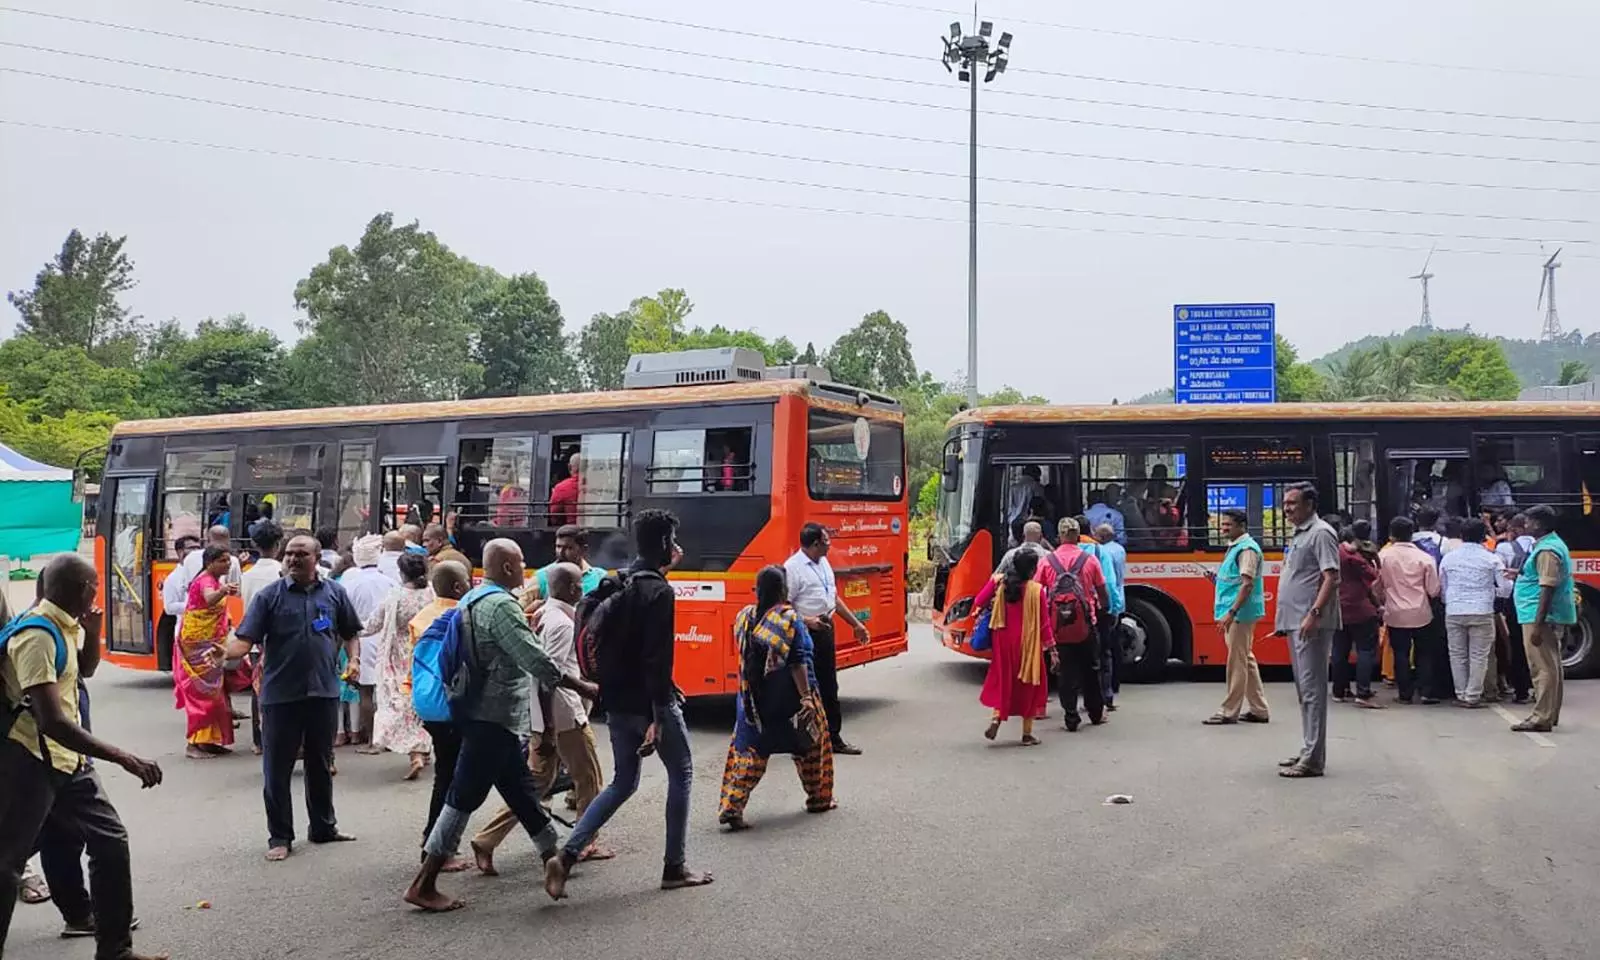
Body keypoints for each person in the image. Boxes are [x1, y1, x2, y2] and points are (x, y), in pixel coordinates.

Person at [404, 540, 598, 912]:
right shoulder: (499, 606)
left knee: (523, 793)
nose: (526, 567)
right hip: (490, 719)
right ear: (508, 567)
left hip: (487, 715)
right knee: (461, 798)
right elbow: (537, 661)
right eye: (522, 560)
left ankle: (553, 859)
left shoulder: (475, 599)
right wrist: (583, 685)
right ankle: (424, 883)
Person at [0, 554, 166, 960]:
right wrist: (123, 757)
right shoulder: (36, 635)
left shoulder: (65, 625)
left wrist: (93, 633)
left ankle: (115, 950)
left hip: (68, 761)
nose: (99, 590)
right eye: (95, 584)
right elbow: (51, 721)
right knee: (7, 865)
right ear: (83, 589)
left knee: (110, 841)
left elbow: (85, 671)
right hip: (30, 760)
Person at [545, 509, 714, 900]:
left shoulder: (614, 581)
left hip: (615, 700)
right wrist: (658, 714)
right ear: (665, 545)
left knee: (623, 781)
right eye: (671, 541)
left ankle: (567, 856)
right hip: (649, 703)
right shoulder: (659, 592)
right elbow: (655, 660)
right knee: (682, 772)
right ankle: (675, 866)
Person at [222, 534, 362, 861]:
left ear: (317, 559)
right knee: (277, 768)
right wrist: (224, 653)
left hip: (324, 691)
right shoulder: (270, 597)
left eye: (302, 554)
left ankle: (324, 827)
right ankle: (280, 837)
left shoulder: (335, 593)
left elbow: (350, 633)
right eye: (290, 554)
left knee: (320, 763)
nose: (294, 559)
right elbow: (245, 640)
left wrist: (353, 660)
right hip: (280, 695)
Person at [471, 562, 610, 872]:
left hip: (547, 719)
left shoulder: (547, 613)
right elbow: (549, 677)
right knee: (589, 780)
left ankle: (485, 840)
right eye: (577, 586)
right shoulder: (561, 623)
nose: (580, 590)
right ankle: (585, 842)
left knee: (534, 787)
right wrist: (547, 728)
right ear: (573, 589)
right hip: (564, 719)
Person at [718, 565, 835, 829]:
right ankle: (819, 799)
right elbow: (798, 662)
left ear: (757, 590)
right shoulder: (789, 620)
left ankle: (732, 806)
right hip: (791, 700)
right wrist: (806, 698)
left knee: (749, 753)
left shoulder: (745, 616)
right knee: (813, 748)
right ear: (784, 591)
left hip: (753, 701)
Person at [783, 523, 871, 756]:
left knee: (829, 684)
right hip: (804, 631)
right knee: (803, 687)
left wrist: (856, 624)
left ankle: (833, 737)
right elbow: (783, 606)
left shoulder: (823, 564)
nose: (829, 545)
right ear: (814, 544)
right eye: (826, 541)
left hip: (825, 628)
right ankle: (801, 741)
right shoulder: (793, 568)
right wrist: (807, 620)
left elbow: (833, 598)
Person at [1273, 483, 1340, 780]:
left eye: (1293, 503)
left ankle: (1313, 759)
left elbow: (1331, 577)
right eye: (1285, 503)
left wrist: (1314, 613)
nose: (1287, 509)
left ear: (1310, 504)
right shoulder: (1301, 533)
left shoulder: (1321, 532)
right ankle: (1308, 749)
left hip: (1309, 623)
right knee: (1304, 692)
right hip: (1295, 621)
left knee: (1313, 692)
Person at [410, 561, 472, 874]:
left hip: (428, 704)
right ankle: (436, 846)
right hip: (453, 706)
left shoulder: (422, 617)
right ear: (460, 587)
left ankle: (436, 842)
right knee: (451, 778)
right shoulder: (463, 615)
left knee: (448, 774)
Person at [974, 551, 1057, 745]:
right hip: (1027, 643)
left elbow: (979, 601)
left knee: (1004, 680)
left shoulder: (1000, 583)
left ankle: (996, 717)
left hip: (1002, 639)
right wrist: (1052, 649)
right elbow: (1044, 625)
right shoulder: (1037, 591)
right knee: (1028, 682)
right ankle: (1027, 734)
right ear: (1031, 569)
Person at [367, 553, 434, 779]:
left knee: (402, 705)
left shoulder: (395, 596)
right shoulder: (432, 593)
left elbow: (373, 624)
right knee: (423, 703)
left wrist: (346, 626)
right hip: (427, 653)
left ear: (402, 573)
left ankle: (416, 752)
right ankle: (423, 749)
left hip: (398, 658)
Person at [1510, 505, 1576, 733]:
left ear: (1538, 524)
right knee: (1551, 665)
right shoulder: (1550, 545)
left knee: (1542, 668)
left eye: (1527, 522)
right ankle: (1549, 714)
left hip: (1538, 615)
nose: (1525, 526)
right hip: (1542, 614)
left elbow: (1547, 588)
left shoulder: (1547, 550)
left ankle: (1541, 717)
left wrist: (1538, 626)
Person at [1204, 508, 1270, 724]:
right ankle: (1259, 709)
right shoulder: (1237, 547)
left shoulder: (1247, 549)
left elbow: (1247, 583)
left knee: (1236, 662)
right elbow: (1236, 581)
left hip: (1239, 614)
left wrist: (1231, 613)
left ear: (1241, 526)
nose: (1223, 528)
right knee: (1245, 659)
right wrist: (1216, 580)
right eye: (1222, 525)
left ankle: (1229, 711)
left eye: (1228, 525)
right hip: (1237, 612)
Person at [174, 545, 240, 760]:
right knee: (203, 693)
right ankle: (194, 743)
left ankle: (209, 741)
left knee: (216, 693)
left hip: (211, 643)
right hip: (198, 645)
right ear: (209, 562)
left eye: (228, 560)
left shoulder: (213, 580)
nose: (227, 564)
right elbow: (209, 598)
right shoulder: (205, 581)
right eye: (223, 561)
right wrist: (222, 591)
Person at [1039, 519, 1104, 731]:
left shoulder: (1047, 561)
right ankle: (1095, 713)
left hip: (1058, 626)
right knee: (1091, 669)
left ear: (1059, 536)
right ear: (1077, 536)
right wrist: (1104, 607)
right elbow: (1102, 589)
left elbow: (1037, 591)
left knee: (1066, 672)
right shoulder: (1090, 559)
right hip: (1086, 624)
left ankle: (1071, 717)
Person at [1439, 518, 1504, 708]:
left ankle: (1460, 693)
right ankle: (1473, 695)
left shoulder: (1449, 558)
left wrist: (1450, 600)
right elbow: (1505, 588)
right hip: (1482, 610)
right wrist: (1491, 593)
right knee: (1479, 655)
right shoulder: (1492, 558)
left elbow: (1443, 588)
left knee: (1457, 654)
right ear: (1484, 537)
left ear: (1461, 536)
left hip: (1454, 610)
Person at [1378, 516, 1442, 704]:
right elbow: (1434, 590)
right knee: (1424, 653)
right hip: (1421, 613)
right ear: (1411, 534)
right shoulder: (1425, 558)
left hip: (1395, 613)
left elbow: (1376, 585)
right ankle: (1426, 692)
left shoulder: (1383, 557)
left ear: (1391, 535)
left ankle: (1404, 694)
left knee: (1400, 653)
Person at [341, 534, 394, 750]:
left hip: (360, 640)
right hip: (386, 639)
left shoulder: (349, 583)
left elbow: (344, 617)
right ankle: (387, 738)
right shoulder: (389, 582)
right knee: (386, 693)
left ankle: (372, 739)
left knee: (365, 692)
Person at [239, 521, 286, 757]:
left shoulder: (247, 575)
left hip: (254, 641)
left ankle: (258, 741)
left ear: (255, 545)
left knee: (257, 689)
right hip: (278, 641)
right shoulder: (282, 572)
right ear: (278, 544)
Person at [1332, 522, 1384, 707]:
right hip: (1361, 609)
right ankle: (1363, 693)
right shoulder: (1354, 557)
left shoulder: (1335, 551)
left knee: (1339, 651)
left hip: (1338, 608)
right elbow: (1373, 575)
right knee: (1365, 651)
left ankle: (1339, 691)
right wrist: (1374, 558)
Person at [1494, 513, 1535, 704]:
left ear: (1515, 530)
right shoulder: (1540, 546)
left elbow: (1502, 577)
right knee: (1539, 647)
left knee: (1517, 644)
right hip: (1538, 600)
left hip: (1516, 601)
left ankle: (1521, 691)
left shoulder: (1503, 547)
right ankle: (1539, 688)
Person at [527, 525, 607, 600]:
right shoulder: (542, 577)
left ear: (583, 550)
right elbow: (519, 610)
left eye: (568, 548)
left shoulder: (600, 578)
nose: (561, 552)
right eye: (558, 547)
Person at [157, 534, 201, 665]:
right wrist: (194, 605)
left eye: (198, 548)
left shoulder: (203, 572)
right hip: (187, 633)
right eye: (192, 548)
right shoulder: (173, 579)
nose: (196, 552)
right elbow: (169, 608)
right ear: (180, 552)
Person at [549, 453, 581, 526]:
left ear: (569, 467)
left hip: (570, 532)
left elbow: (555, 517)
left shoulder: (561, 488)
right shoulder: (599, 487)